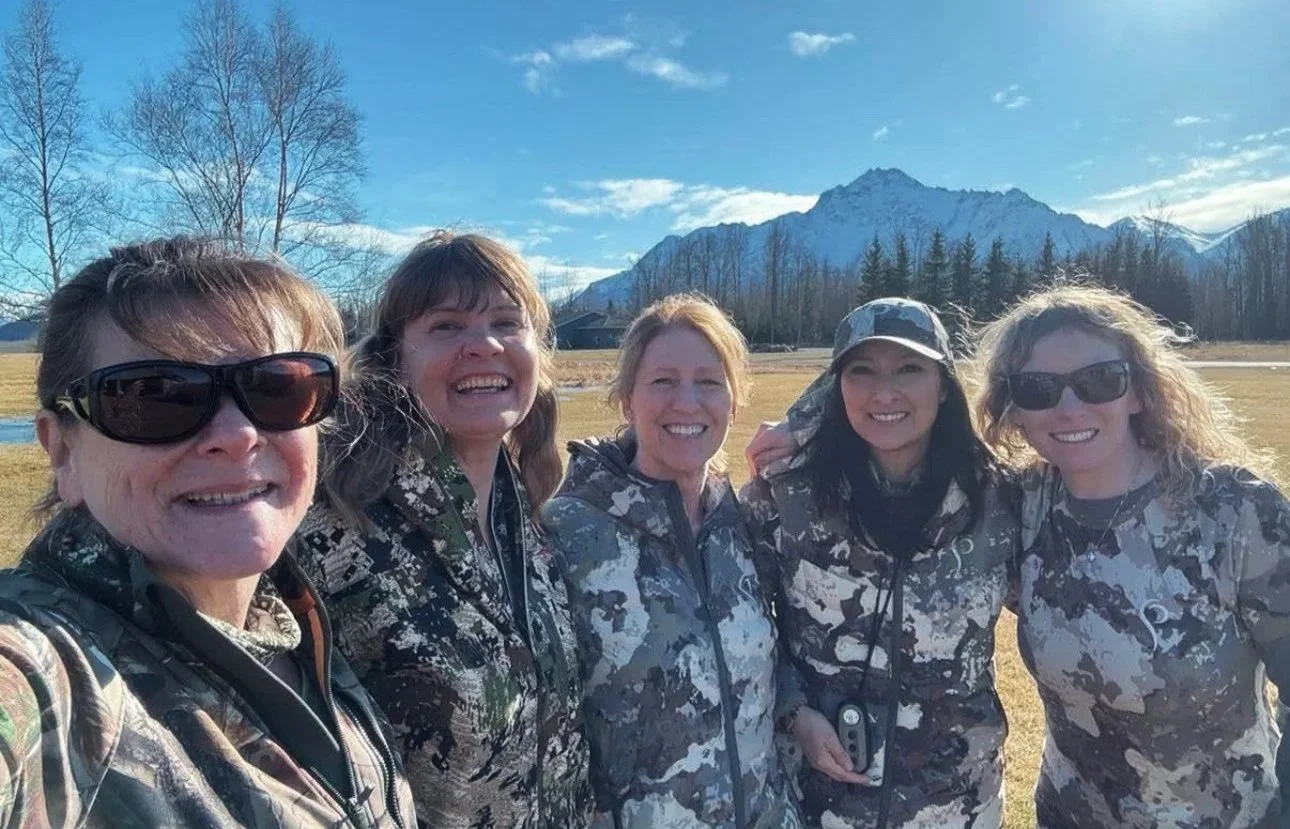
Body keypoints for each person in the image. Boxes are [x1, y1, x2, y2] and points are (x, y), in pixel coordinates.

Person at [0, 237, 416, 828]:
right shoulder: (49, 671)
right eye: (155, 396)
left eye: (280, 386)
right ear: (63, 452)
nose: (239, 433)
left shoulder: (293, 622)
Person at [297, 231, 593, 828]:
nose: (483, 345)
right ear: (393, 357)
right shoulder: (327, 527)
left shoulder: (530, 514)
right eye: (446, 326)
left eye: (508, 323)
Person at [974, 283, 1290, 829]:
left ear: (1140, 392)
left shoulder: (1236, 512)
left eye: (1100, 380)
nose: (1070, 408)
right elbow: (903, 458)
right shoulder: (1018, 510)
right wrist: (801, 434)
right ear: (1014, 410)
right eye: (1038, 388)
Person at [741, 297, 1015, 829]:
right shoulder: (786, 494)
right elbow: (741, 631)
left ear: (943, 383)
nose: (883, 393)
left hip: (960, 807)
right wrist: (795, 715)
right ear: (835, 385)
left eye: (909, 369)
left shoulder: (998, 499)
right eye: (861, 371)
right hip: (820, 805)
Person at [542, 294, 801, 829]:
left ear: (734, 400)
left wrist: (799, 712)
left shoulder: (746, 521)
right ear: (626, 399)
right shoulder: (567, 532)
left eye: (709, 381)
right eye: (663, 381)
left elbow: (778, 654)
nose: (687, 402)